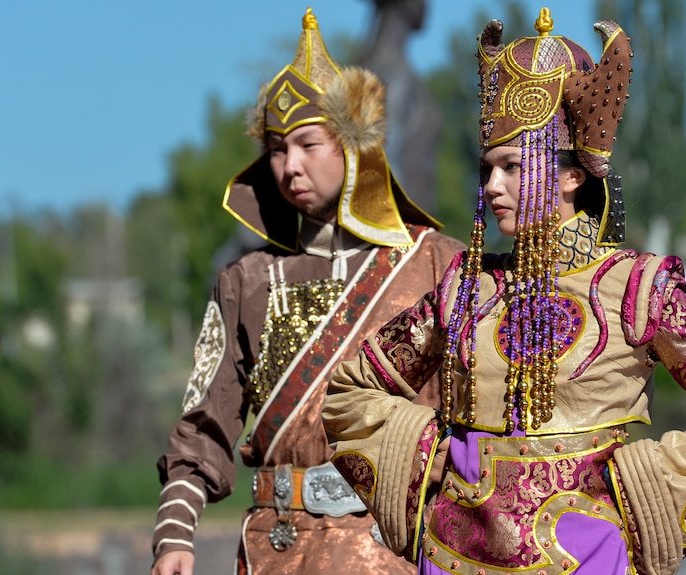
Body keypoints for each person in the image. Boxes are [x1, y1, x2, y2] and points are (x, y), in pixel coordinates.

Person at [322, 8, 686, 575]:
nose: (492, 186)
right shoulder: (464, 290)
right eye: (487, 168)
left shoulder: (639, 288)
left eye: (513, 167)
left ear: (570, 176)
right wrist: (425, 459)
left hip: (592, 560)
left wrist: (638, 493)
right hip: (453, 558)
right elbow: (350, 393)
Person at [150, 8, 465, 575]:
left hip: (398, 551)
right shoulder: (244, 282)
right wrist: (175, 536)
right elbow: (204, 424)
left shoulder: (436, 266)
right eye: (276, 149)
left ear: (353, 147)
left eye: (308, 144)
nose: (289, 166)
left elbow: (483, 418)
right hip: (277, 552)